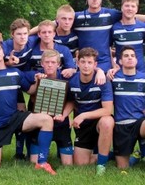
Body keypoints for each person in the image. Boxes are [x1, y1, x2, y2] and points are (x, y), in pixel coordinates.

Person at [0, 38, 56, 175]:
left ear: (3, 52)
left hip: (15, 117)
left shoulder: (16, 72)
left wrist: (38, 82)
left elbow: (30, 90)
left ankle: (42, 162)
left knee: (46, 120)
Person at [67, 47, 114, 175]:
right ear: (77, 63)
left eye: (89, 62)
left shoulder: (103, 80)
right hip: (83, 126)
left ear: (95, 65)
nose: (86, 66)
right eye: (83, 62)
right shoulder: (72, 81)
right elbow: (71, 101)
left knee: (107, 122)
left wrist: (83, 115)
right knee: (81, 164)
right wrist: (64, 115)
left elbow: (108, 110)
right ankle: (110, 154)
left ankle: (101, 165)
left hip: (98, 121)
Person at [27, 49, 73, 165]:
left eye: (53, 62)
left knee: (68, 164)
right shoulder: (36, 77)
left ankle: (61, 150)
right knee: (34, 163)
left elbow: (72, 101)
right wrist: (38, 82)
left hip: (60, 122)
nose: (49, 65)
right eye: (47, 62)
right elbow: (32, 98)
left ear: (58, 64)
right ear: (42, 63)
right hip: (40, 123)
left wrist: (63, 115)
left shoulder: (66, 78)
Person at [73, 0, 122, 73]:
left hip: (104, 64)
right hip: (85, 63)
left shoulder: (110, 14)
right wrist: (39, 27)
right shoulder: (77, 17)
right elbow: (55, 22)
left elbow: (130, 15)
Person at [111, 46, 145, 169]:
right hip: (121, 125)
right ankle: (135, 156)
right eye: (126, 56)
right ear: (120, 61)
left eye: (132, 56)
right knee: (122, 167)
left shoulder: (143, 78)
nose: (130, 58)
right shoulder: (113, 78)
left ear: (136, 60)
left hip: (140, 122)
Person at [109, 0, 145, 74]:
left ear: (137, 9)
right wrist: (113, 64)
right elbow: (107, 47)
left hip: (141, 72)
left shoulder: (142, 27)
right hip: (120, 72)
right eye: (127, 6)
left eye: (133, 6)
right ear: (122, 8)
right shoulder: (114, 28)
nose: (130, 9)